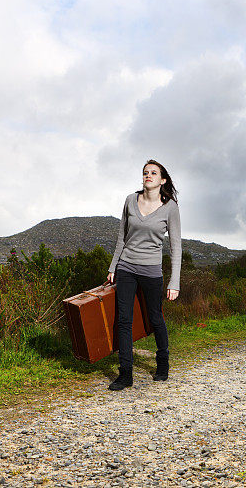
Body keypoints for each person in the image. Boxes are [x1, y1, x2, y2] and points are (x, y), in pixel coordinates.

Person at [106, 159, 181, 391]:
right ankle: (125, 374)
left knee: (155, 318)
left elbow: (176, 247)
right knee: (124, 320)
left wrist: (174, 281)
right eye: (145, 172)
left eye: (153, 173)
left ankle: (162, 362)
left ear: (163, 180)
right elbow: (122, 237)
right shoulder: (130, 200)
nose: (148, 175)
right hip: (127, 267)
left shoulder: (170, 207)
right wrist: (113, 267)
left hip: (151, 271)